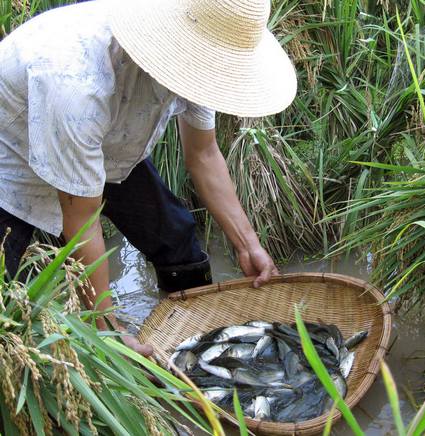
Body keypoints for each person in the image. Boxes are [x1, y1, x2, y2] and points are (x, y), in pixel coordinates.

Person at [0, 0, 297, 356]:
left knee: (175, 237)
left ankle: (195, 338)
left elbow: (202, 155)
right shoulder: (76, 80)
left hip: (107, 145)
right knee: (12, 308)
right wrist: (105, 326)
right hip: (12, 164)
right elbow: (81, 220)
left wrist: (249, 246)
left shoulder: (206, 61)